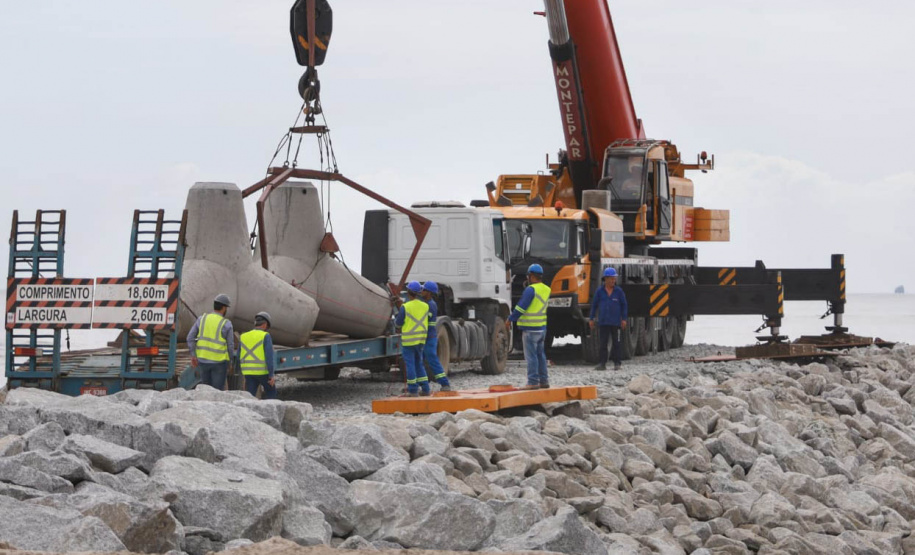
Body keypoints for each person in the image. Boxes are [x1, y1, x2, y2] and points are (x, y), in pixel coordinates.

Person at [506, 264, 551, 389]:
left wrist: (510, 319)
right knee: (540, 355)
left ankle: (532, 382)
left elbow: (521, 307)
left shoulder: (531, 290)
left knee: (531, 356)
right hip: (542, 328)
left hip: (530, 328)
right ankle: (544, 381)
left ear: (531, 276)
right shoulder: (547, 289)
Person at [187, 294, 235, 390]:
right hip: (219, 363)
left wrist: (193, 355)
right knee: (217, 392)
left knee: (205, 391)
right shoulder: (226, 324)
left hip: (203, 361)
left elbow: (190, 337)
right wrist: (230, 361)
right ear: (224, 308)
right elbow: (230, 345)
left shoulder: (202, 319)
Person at [395, 281, 431, 396]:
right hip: (421, 340)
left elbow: (398, 323)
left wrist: (397, 325)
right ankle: (425, 389)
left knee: (410, 365)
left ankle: (413, 390)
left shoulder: (405, 307)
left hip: (409, 341)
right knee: (419, 363)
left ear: (408, 293)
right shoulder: (425, 306)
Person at [589, 267, 628, 370]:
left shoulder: (619, 291)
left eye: (614, 278)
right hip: (603, 322)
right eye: (611, 278)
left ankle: (617, 363)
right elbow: (594, 305)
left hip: (616, 323)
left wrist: (624, 319)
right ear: (605, 279)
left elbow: (624, 305)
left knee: (617, 343)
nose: (613, 281)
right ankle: (602, 363)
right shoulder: (599, 291)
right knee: (603, 343)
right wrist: (591, 318)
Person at [420, 281, 452, 391]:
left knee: (432, 359)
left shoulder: (430, 305)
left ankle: (444, 383)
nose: (421, 291)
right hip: (425, 337)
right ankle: (419, 386)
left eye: (424, 290)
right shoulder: (426, 303)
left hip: (429, 338)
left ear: (429, 293)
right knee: (420, 361)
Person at [238, 311, 277, 399]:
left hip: (248, 372)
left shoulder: (243, 336)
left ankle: (249, 412)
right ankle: (270, 412)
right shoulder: (265, 336)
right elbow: (269, 357)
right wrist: (271, 375)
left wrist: (241, 372)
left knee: (250, 397)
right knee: (271, 392)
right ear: (265, 324)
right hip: (262, 372)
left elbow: (238, 356)